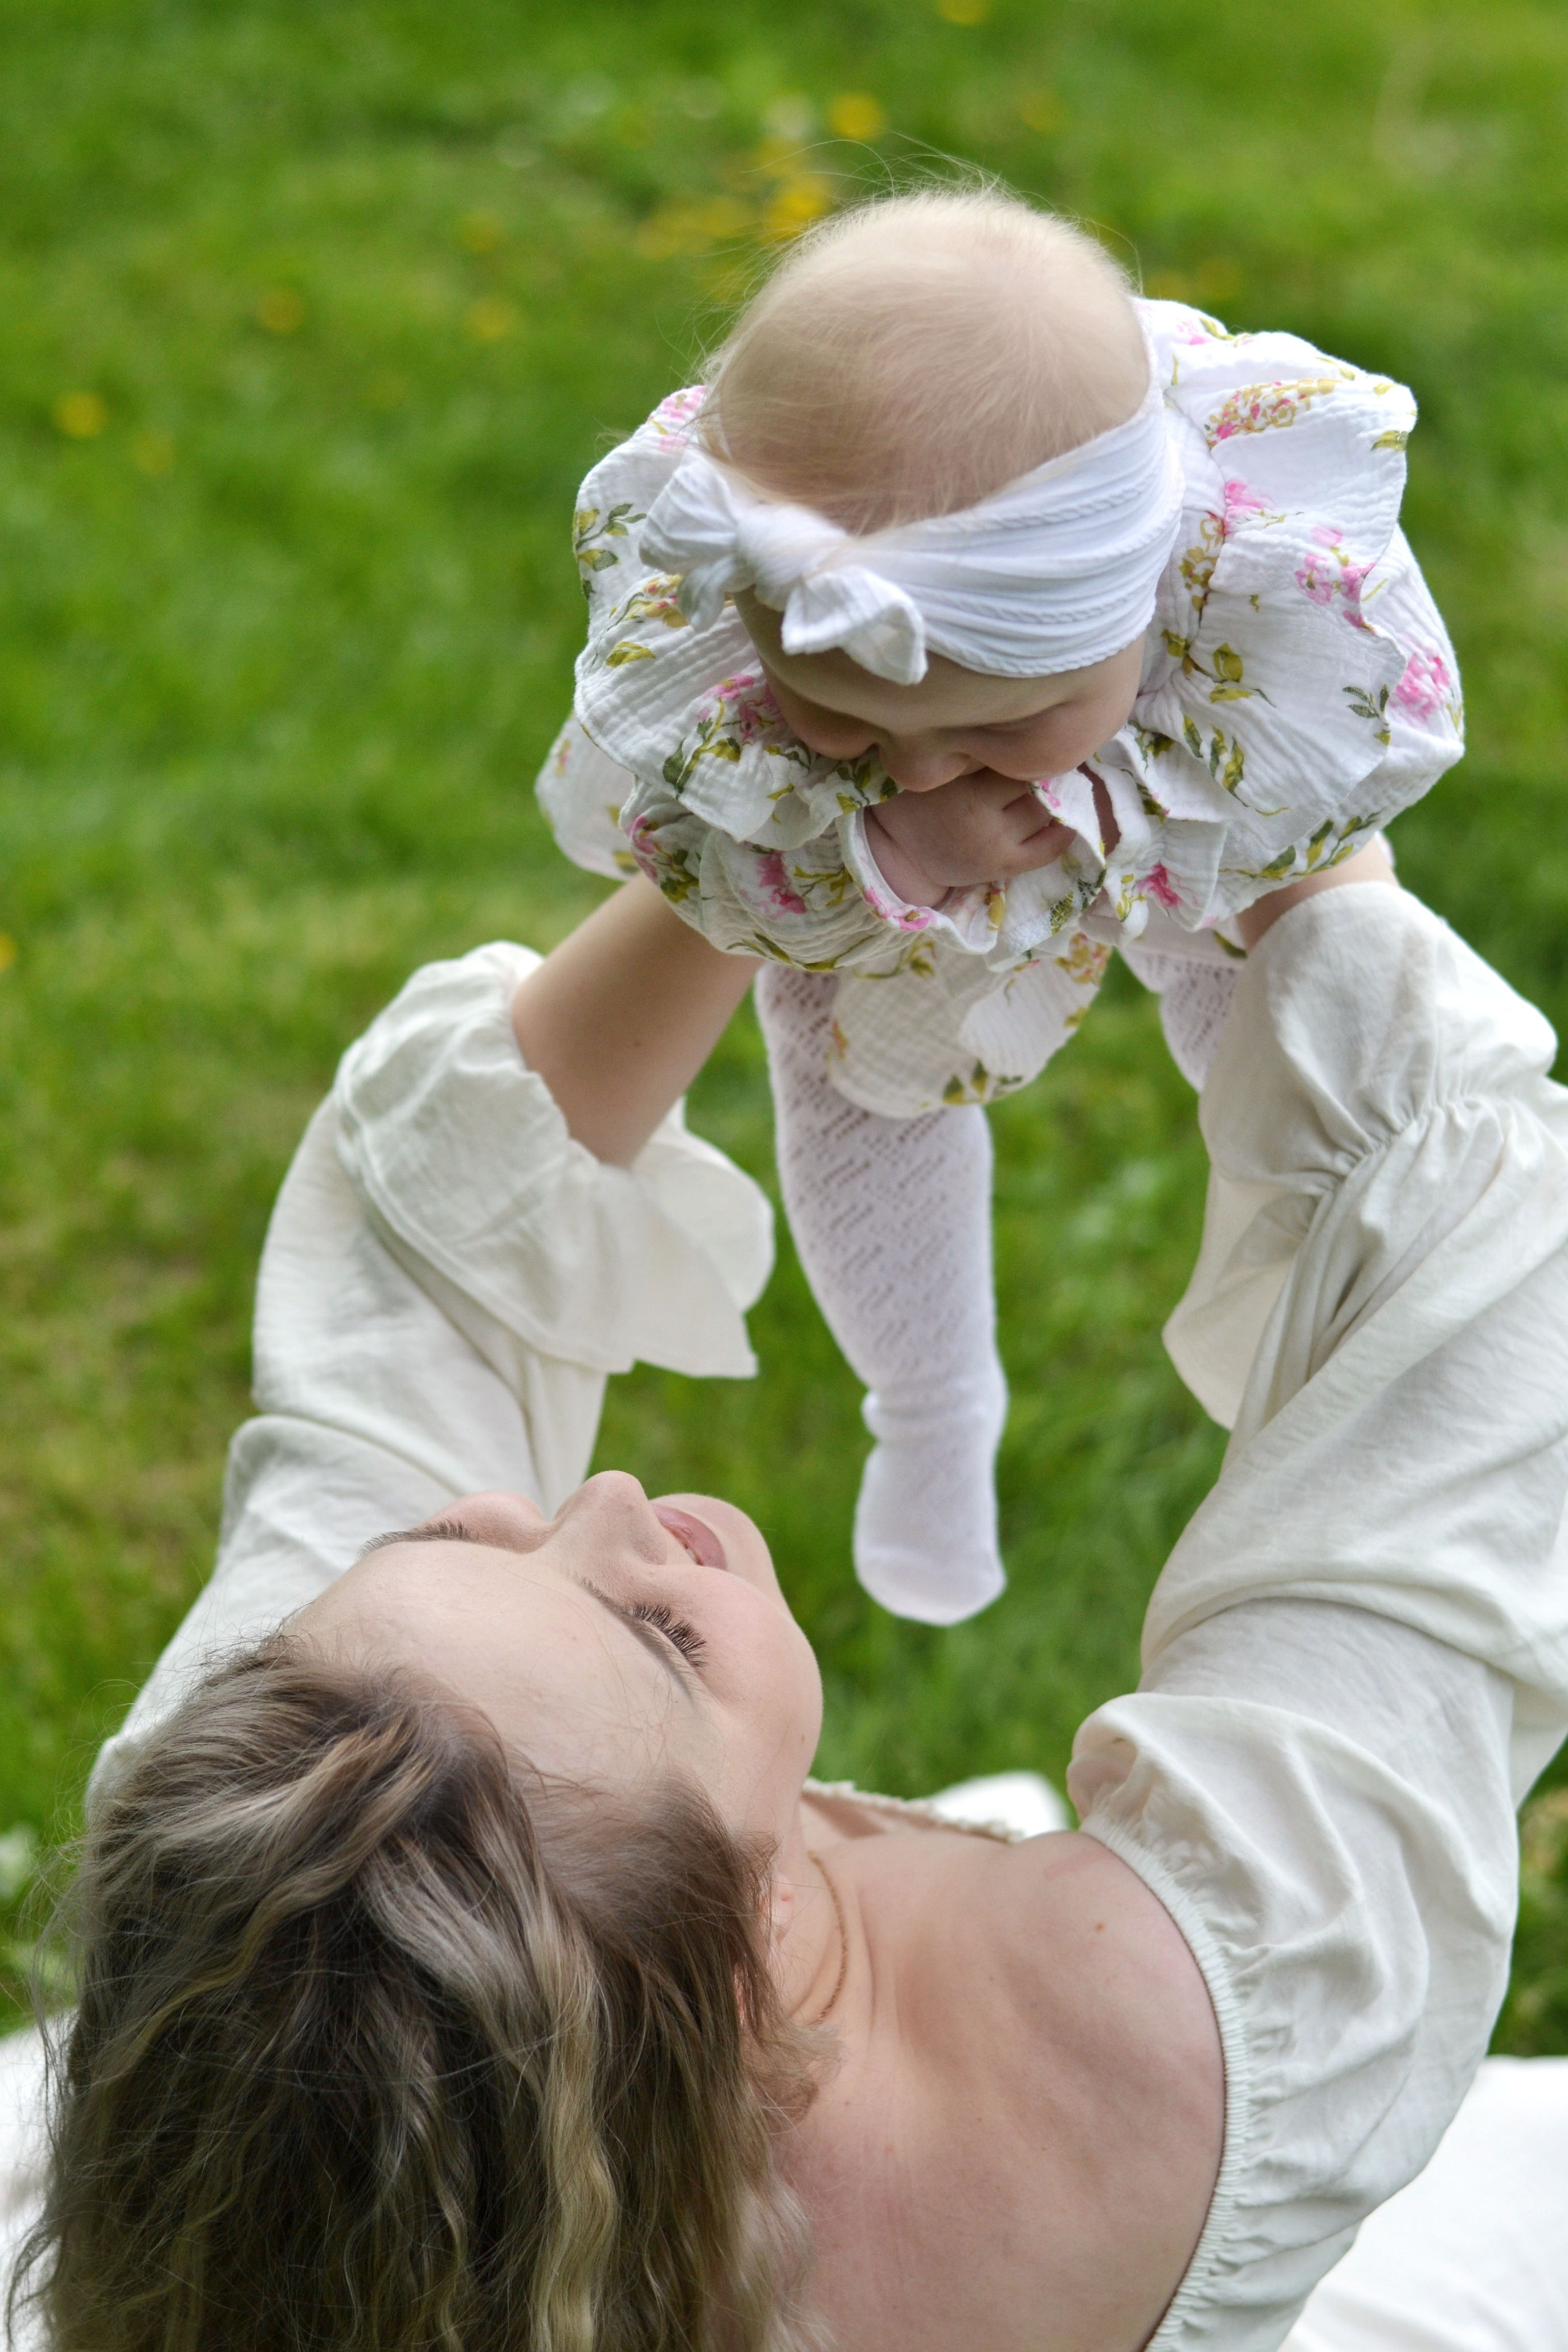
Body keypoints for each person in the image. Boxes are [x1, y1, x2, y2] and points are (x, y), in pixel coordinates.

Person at [5, 844, 1568, 2352]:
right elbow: (1474, 1320)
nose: (614, 1502)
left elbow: (422, 1259)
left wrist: (762, 837)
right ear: (742, 1946)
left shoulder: (264, 1862)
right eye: (658, 1635)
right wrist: (1271, 779)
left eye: (454, 1538)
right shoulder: (1162, 2053)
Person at [539, 183, 1466, 1625]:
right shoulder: (797, 661)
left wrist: (1125, 806)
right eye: (840, 712)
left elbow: (1349, 760)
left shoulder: (1236, 596)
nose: (916, 763)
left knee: (1300, 993)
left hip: (1178, 802)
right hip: (873, 911)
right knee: (847, 1075)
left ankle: (1352, 1293)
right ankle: (927, 1403)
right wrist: (888, 846)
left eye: (991, 724)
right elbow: (738, 864)